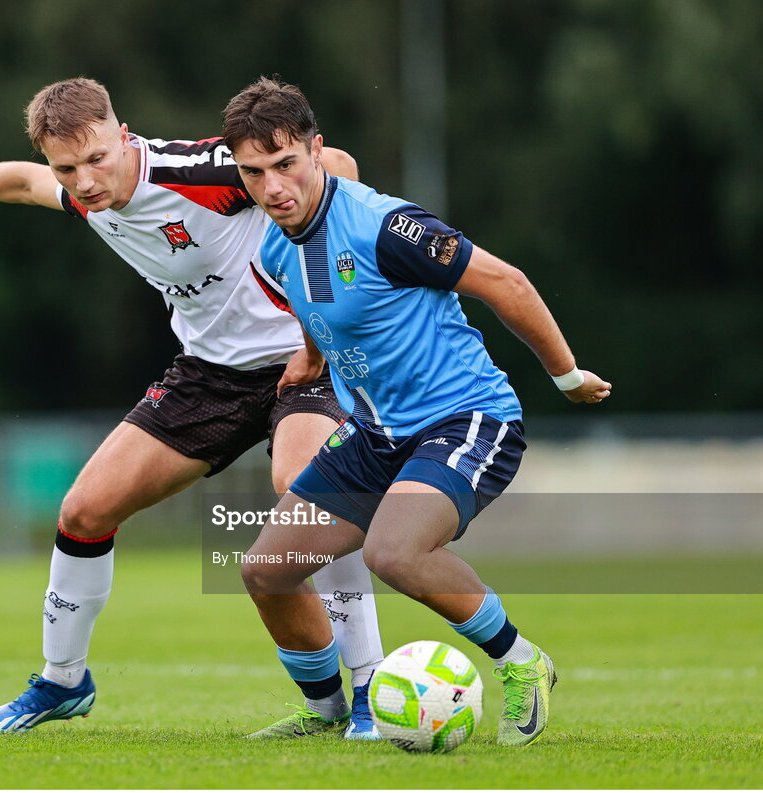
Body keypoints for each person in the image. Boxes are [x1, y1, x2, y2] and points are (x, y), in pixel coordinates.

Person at [0, 76, 385, 739]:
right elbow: (20, 182)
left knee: (304, 490)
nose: (86, 179)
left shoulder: (197, 169)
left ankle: (369, 689)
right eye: (68, 167)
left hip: (302, 361)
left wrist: (322, 291)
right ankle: (63, 681)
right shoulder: (78, 191)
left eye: (97, 158)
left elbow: (339, 168)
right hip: (207, 376)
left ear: (121, 135)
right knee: (83, 511)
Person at [221, 77, 612, 745]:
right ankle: (325, 711)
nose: (272, 186)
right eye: (254, 172)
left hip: (464, 418)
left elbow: (504, 282)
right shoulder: (273, 250)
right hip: (376, 435)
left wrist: (566, 375)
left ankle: (522, 663)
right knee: (264, 569)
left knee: (393, 553)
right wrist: (311, 356)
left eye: (285, 163)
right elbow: (320, 307)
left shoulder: (386, 227)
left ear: (316, 151)